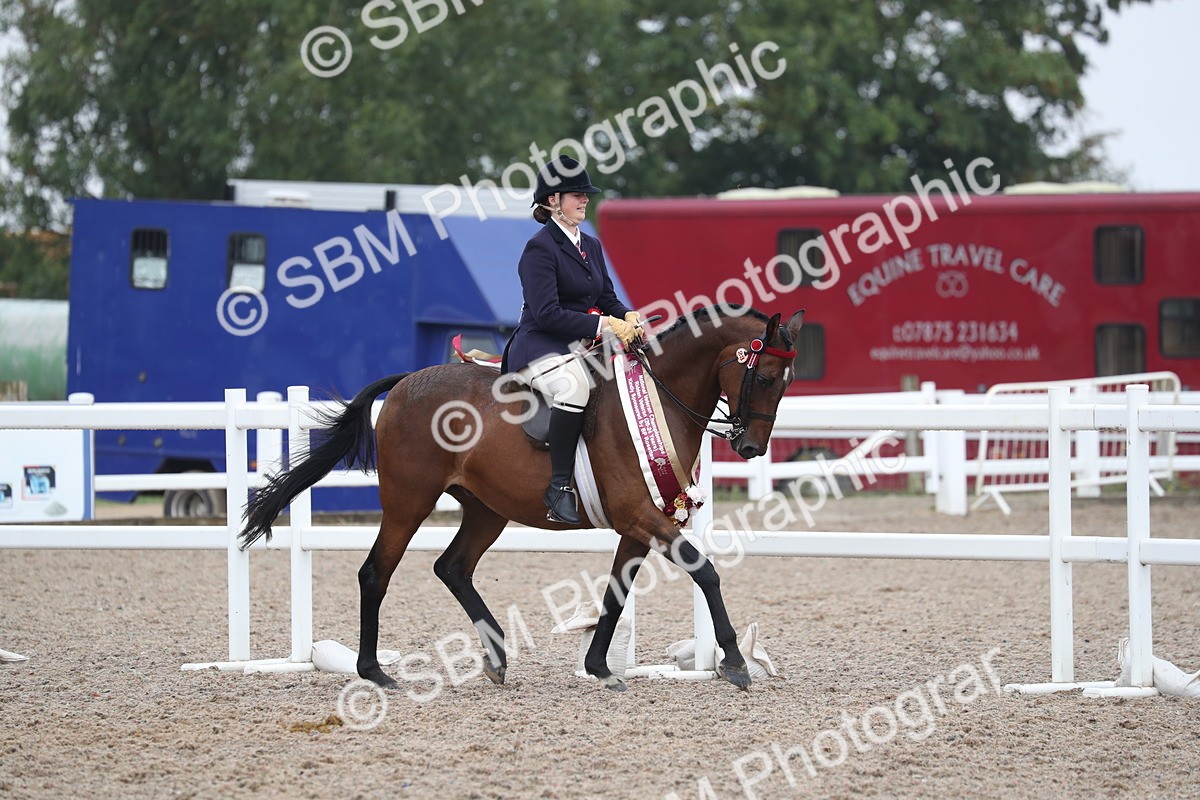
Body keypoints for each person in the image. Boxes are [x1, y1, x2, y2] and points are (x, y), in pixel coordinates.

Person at [502, 155, 643, 524]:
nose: (585, 200)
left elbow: (605, 297)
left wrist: (627, 314)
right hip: (538, 347)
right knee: (573, 389)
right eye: (576, 195)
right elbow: (546, 313)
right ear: (552, 201)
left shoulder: (590, 246)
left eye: (586, 195)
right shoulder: (540, 248)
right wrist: (603, 328)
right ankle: (559, 487)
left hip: (577, 347)